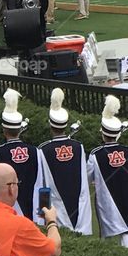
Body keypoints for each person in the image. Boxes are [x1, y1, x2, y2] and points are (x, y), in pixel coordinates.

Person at [38, 88, 92, 234]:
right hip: (80, 205)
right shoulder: (78, 146)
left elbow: (43, 185)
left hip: (56, 208)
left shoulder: (43, 149)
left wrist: (43, 214)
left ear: (50, 124)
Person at [88, 96, 128, 248]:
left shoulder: (95, 154)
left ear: (103, 133)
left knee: (107, 241)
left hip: (106, 203)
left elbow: (86, 177)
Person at [0, 89, 42, 220]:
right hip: (35, 210)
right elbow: (43, 182)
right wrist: (44, 213)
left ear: (4, 129)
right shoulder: (36, 151)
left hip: (9, 212)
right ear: (20, 129)